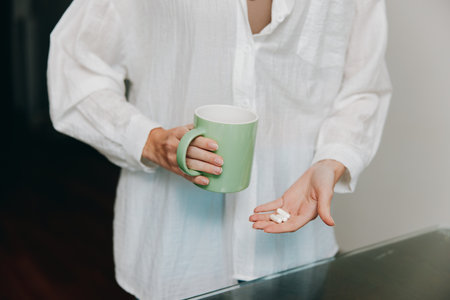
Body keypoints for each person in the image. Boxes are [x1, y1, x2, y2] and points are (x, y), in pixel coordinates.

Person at [47, 0, 392, 299]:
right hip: (175, 246)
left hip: (299, 247)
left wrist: (332, 161)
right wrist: (149, 141)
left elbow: (364, 88)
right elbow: (76, 65)